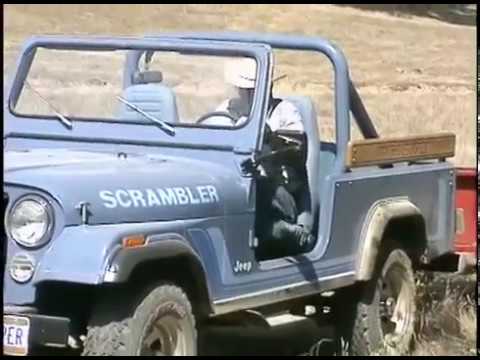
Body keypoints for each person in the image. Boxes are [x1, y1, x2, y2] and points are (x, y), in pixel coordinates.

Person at [219, 57, 314, 256]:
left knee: (257, 186)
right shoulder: (226, 110)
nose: (246, 93)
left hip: (278, 194)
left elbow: (296, 150)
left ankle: (282, 230)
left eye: (252, 89)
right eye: (244, 89)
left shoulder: (284, 112)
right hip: (234, 185)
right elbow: (210, 131)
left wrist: (268, 135)